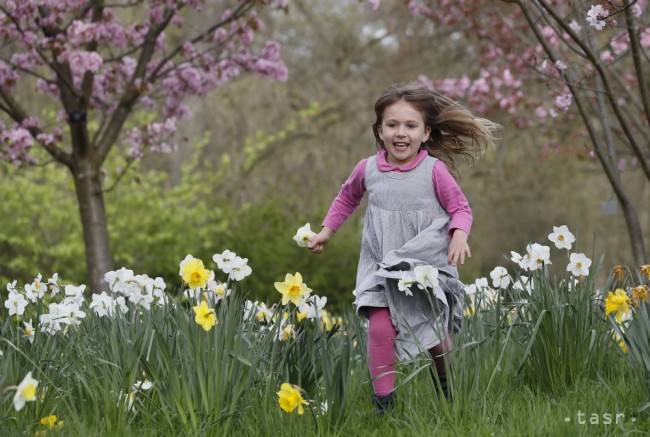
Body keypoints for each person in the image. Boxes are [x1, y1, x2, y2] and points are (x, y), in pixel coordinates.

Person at [307, 82, 499, 414]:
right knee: (380, 328)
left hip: (423, 265)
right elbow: (347, 198)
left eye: (410, 126)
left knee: (435, 339)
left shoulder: (434, 171)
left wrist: (459, 236)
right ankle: (384, 407)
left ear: (425, 133)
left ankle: (450, 392)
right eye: (392, 125)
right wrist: (327, 230)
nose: (401, 132)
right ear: (379, 131)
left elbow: (461, 209)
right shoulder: (367, 169)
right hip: (381, 264)